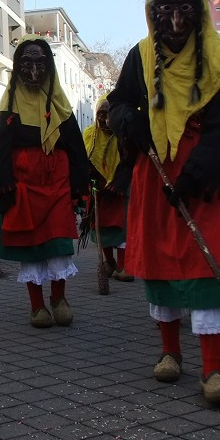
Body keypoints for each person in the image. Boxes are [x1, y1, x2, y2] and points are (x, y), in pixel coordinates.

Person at [107, 0, 220, 406]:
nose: (176, 20)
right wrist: (131, 123)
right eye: (166, 8)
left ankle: (213, 369)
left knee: (208, 266)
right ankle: (170, 352)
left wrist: (196, 174)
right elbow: (119, 102)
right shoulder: (139, 56)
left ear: (199, 9)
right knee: (163, 261)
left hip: (206, 177)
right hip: (155, 171)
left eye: (185, 8)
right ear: (152, 11)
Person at [0, 35, 88, 328]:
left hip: (56, 183)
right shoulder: (9, 102)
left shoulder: (59, 103)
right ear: (18, 65)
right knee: (29, 245)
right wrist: (4, 184)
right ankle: (37, 306)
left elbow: (75, 145)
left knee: (58, 242)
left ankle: (59, 300)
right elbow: (2, 148)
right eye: (27, 61)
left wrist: (79, 182)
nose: (34, 68)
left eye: (41, 62)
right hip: (24, 184)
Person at [83, 95, 133, 294]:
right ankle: (109, 261)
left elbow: (129, 162)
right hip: (99, 190)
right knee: (101, 227)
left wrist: (118, 183)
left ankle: (123, 266)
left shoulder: (124, 136)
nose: (105, 120)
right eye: (101, 115)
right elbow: (84, 159)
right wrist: (92, 177)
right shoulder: (88, 134)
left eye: (109, 115)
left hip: (119, 190)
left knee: (120, 228)